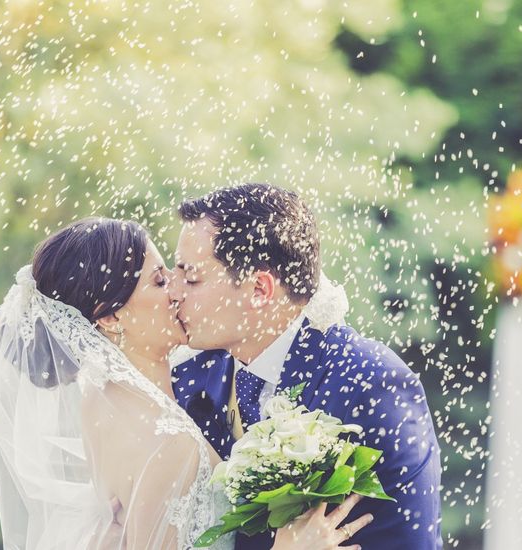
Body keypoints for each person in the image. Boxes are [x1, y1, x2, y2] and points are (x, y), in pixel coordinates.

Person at [0, 217, 373, 549]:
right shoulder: (169, 445)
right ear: (110, 318)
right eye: (160, 282)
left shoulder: (99, 396)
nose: (179, 291)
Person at [169, 183, 443, 549]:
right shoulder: (189, 379)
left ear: (259, 290)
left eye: (191, 278)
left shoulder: (370, 383)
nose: (172, 290)